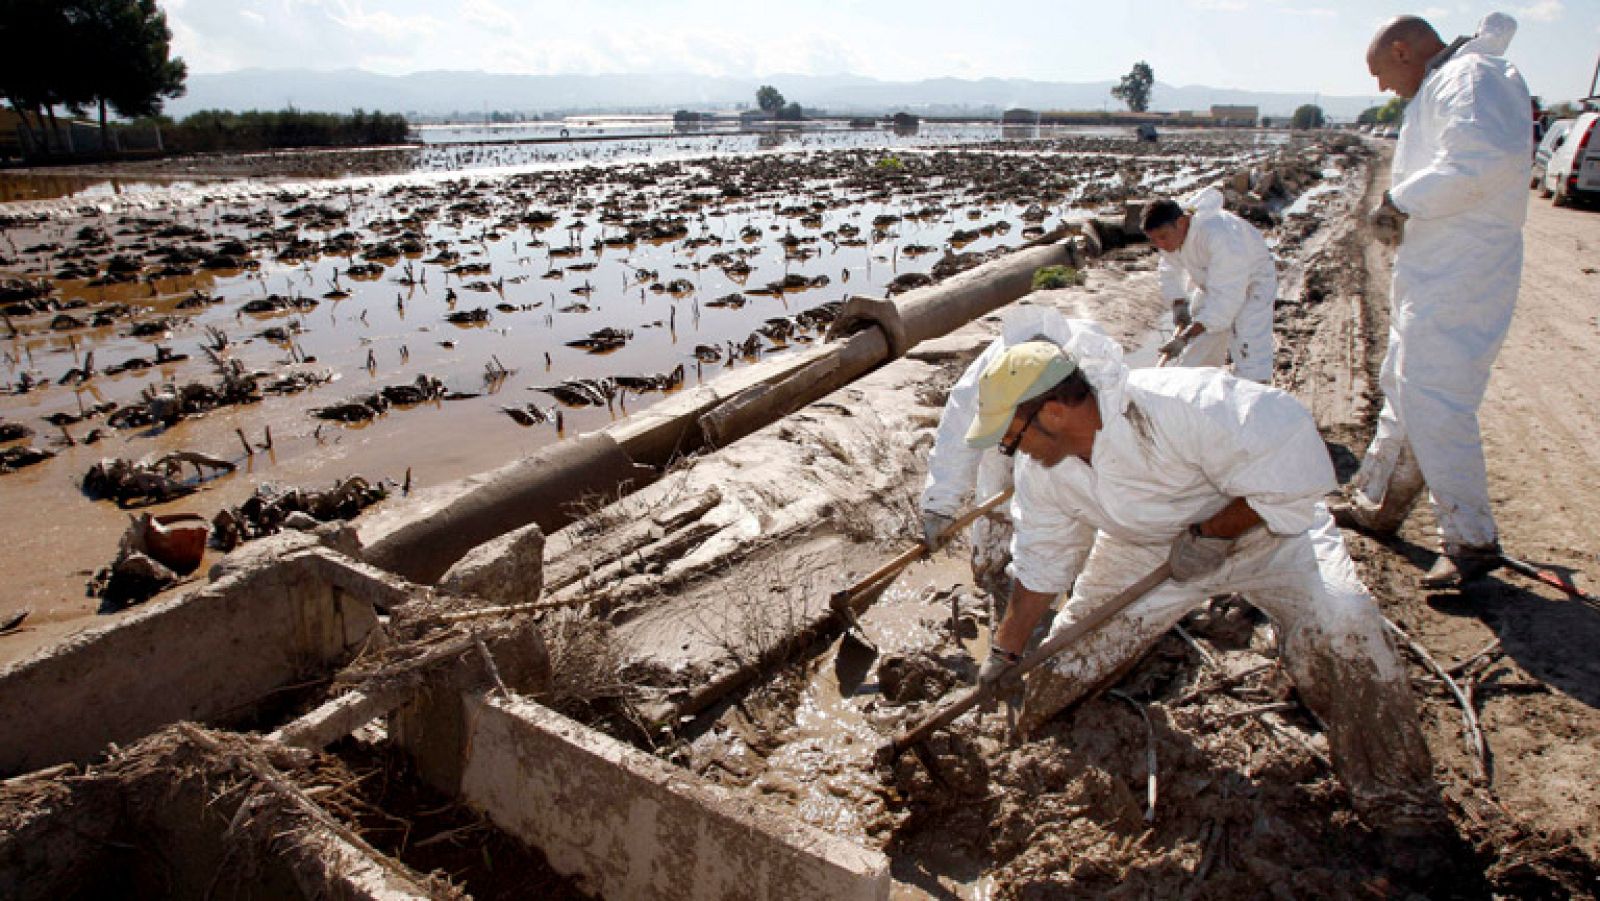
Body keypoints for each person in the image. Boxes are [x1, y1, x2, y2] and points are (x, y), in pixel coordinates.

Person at [969, 329, 1440, 829]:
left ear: (1054, 413)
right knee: (1070, 657)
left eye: (1010, 434)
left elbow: (1292, 452)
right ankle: (1035, 748)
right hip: (1145, 550)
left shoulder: (1175, 405)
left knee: (1345, 625)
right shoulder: (1043, 473)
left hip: (1267, 531)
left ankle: (1398, 800)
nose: (1008, 449)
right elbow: (1043, 562)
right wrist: (1005, 654)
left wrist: (1216, 531)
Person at [1333, 13, 1532, 588]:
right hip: (1437, 267)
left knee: (1437, 397)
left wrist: (1397, 199)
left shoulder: (1472, 79)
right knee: (1404, 384)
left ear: (1402, 49)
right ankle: (1378, 504)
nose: (1381, 88)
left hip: (1462, 269)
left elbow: (1479, 163)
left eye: (1379, 72)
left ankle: (1471, 540)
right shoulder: (1447, 82)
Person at [919, 307, 1076, 605]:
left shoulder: (1081, 362)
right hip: (999, 447)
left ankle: (1043, 605)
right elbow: (957, 435)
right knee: (996, 514)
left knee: (1053, 533)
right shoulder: (990, 370)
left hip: (1060, 455)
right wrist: (939, 506)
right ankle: (991, 580)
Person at [1141, 186, 1278, 383]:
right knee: (1198, 351)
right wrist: (1179, 304)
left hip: (1252, 283)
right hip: (1213, 281)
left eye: (1162, 237)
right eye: (1153, 240)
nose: (1160, 245)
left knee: (1248, 347)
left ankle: (1255, 396)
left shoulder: (1218, 235)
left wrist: (1185, 336)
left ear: (1180, 223)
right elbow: (1169, 270)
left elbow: (1225, 301)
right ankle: (1197, 394)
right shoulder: (1172, 237)